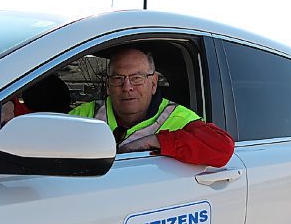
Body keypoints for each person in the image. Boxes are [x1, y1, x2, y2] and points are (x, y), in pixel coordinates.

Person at [69, 48, 234, 167]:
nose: (127, 87)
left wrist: (155, 141)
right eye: (118, 78)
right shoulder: (85, 114)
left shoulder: (176, 117)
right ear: (108, 86)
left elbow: (223, 148)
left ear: (153, 83)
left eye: (137, 78)